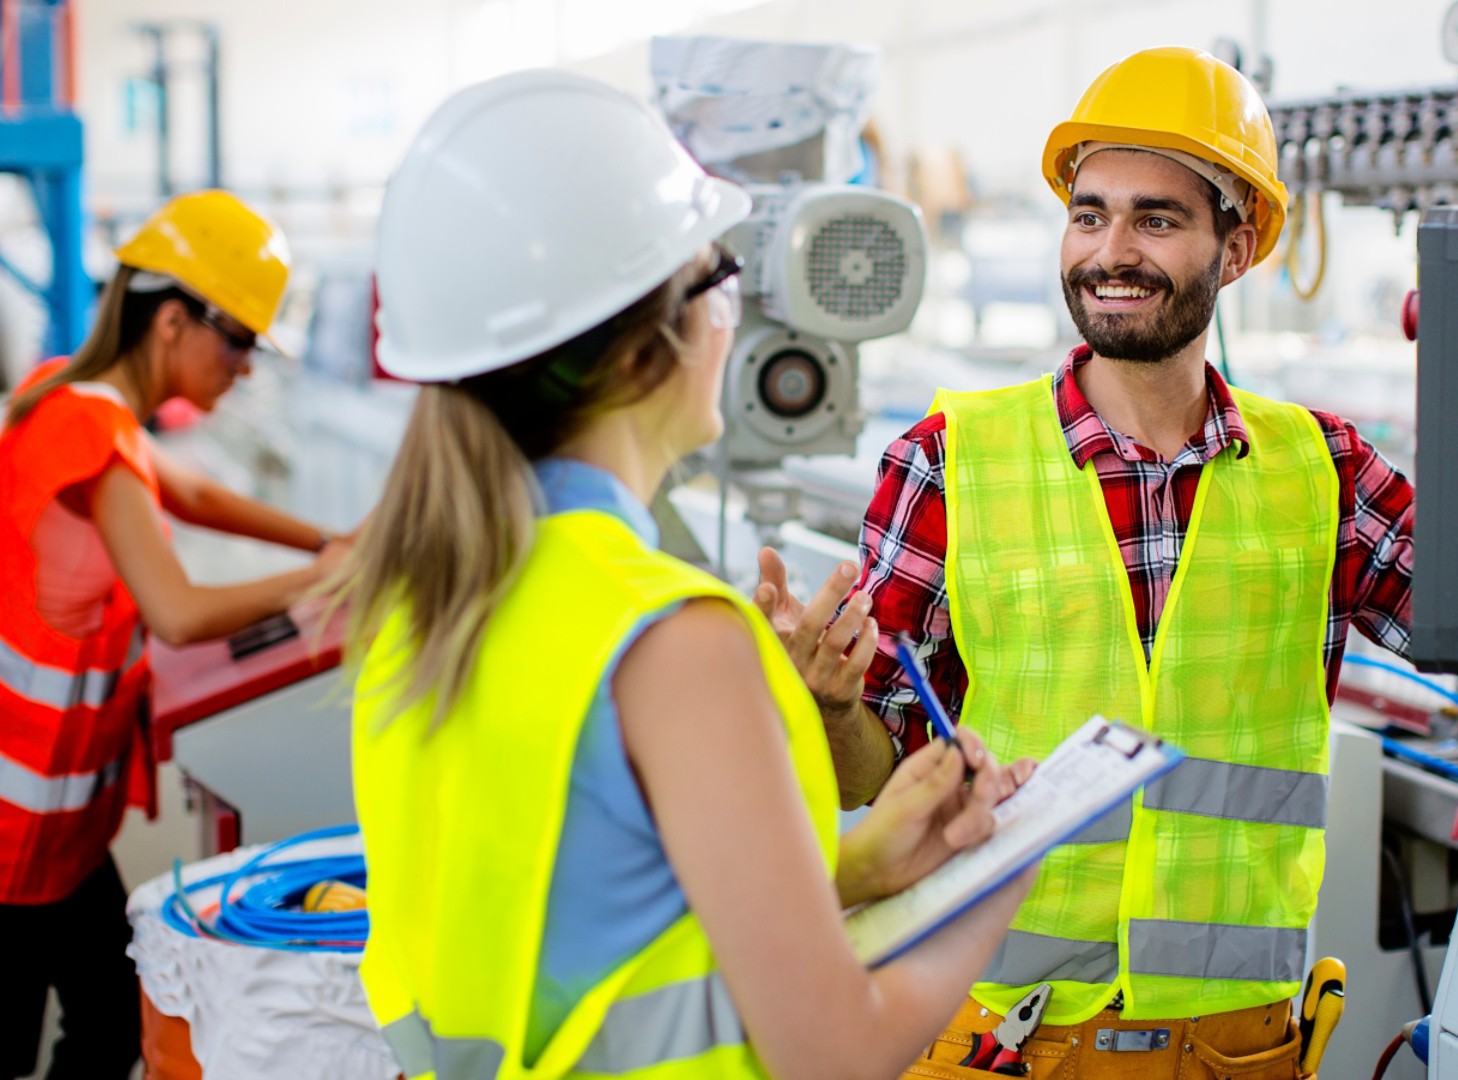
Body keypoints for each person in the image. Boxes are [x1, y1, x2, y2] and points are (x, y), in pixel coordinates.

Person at [752, 47, 1458, 1079]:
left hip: (1237, 1049)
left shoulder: (1328, 472)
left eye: (1157, 219)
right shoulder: (945, 461)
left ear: (1236, 249)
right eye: (1089, 213)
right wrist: (830, 705)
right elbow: (876, 777)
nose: (1111, 251)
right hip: (1005, 1040)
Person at [340, 70, 1035, 1080]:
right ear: (644, 350)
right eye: (720, 277)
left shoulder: (428, 591)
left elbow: (582, 913)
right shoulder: (677, 644)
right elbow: (834, 1052)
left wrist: (855, 868)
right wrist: (1005, 874)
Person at [0, 189, 352, 1080]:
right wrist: (331, 577)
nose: (247, 369)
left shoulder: (66, 393)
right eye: (241, 341)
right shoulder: (87, 427)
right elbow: (177, 609)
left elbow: (193, 495)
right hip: (3, 821)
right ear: (174, 319)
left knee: (108, 1014)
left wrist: (330, 540)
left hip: (46, 813)